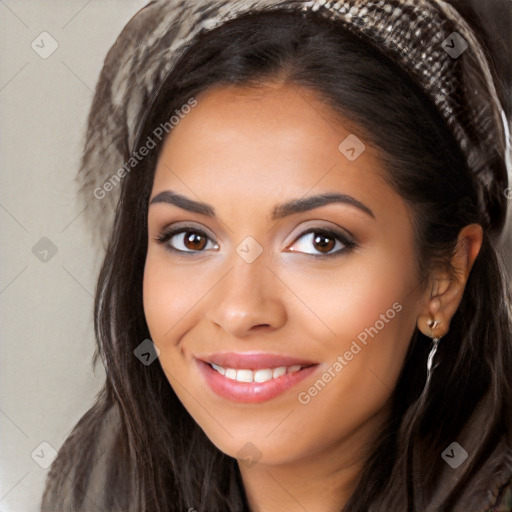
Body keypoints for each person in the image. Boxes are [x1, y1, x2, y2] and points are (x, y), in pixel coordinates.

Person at [40, 1, 512, 510]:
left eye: (320, 241)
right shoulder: (103, 489)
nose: (240, 310)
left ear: (445, 277)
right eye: (192, 238)